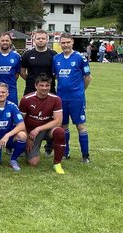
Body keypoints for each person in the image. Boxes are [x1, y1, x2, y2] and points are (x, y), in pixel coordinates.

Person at [53, 33, 93, 163]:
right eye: (63, 43)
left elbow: (88, 77)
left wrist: (80, 91)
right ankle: (65, 152)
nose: (65, 45)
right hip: (61, 98)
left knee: (80, 126)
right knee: (63, 126)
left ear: (72, 42)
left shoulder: (80, 58)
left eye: (67, 42)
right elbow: (55, 76)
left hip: (76, 98)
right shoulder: (56, 58)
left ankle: (85, 155)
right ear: (60, 44)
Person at [0, 83, 27, 171]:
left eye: (3, 92)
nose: (1, 94)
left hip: (8, 138)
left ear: (7, 93)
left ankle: (13, 160)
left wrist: (7, 136)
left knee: (22, 135)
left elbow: (21, 125)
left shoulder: (12, 106)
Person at [21, 29, 57, 95]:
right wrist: (30, 80)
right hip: (31, 88)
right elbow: (22, 70)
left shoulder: (53, 54)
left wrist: (49, 80)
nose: (40, 40)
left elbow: (57, 72)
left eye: (43, 38)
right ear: (34, 40)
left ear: (47, 40)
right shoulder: (27, 54)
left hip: (49, 88)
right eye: (38, 38)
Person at [0, 33, 22, 104]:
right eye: (3, 40)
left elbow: (17, 73)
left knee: (12, 110)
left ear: (10, 42)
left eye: (7, 40)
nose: (5, 42)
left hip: (11, 89)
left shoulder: (16, 56)